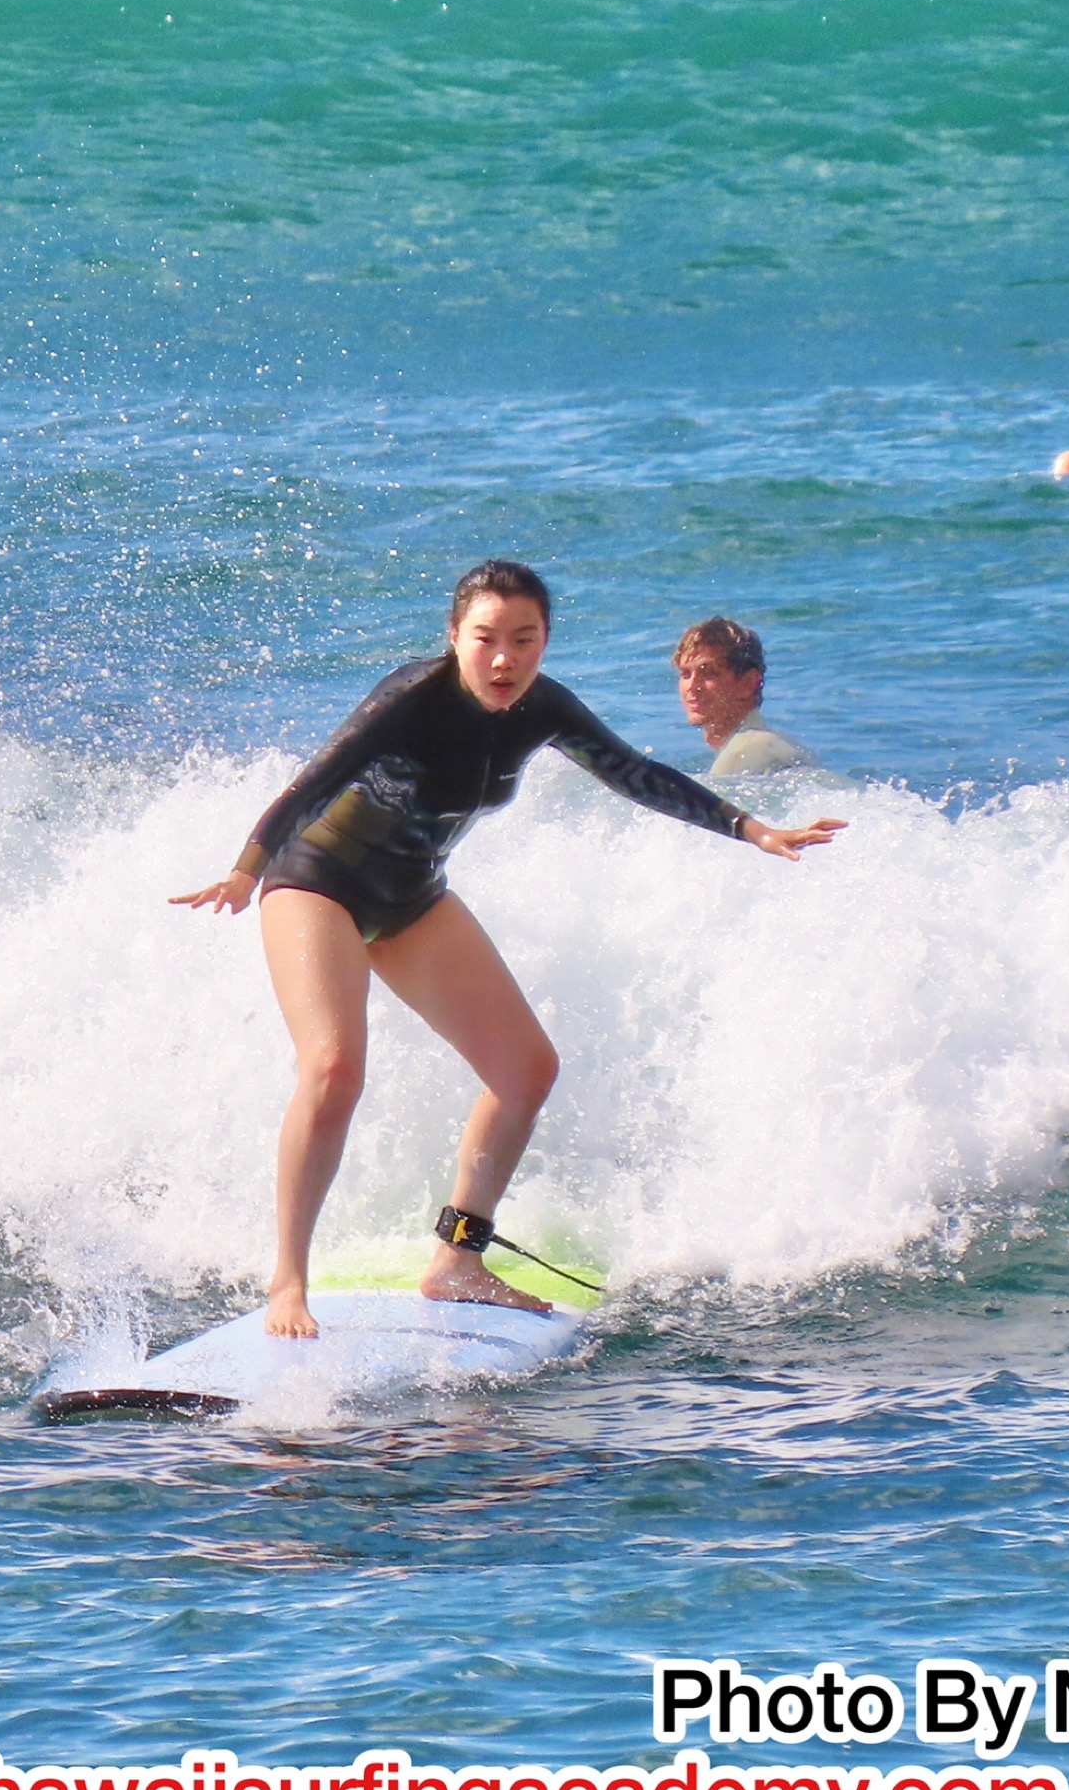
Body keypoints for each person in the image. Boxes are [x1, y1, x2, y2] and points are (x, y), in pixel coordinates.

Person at [174, 561, 845, 1338]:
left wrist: (749, 827)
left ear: (544, 643)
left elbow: (636, 774)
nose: (504, 659)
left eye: (524, 641)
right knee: (333, 1070)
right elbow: (312, 781)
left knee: (527, 1069)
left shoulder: (542, 707)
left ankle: (458, 1260)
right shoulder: (411, 697)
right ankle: (288, 1282)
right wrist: (244, 869)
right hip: (316, 882)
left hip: (412, 897)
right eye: (486, 639)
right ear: (454, 638)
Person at [672, 617, 814, 777]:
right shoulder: (774, 744)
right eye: (685, 674)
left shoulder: (742, 756)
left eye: (708, 673)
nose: (692, 686)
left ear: (748, 683)